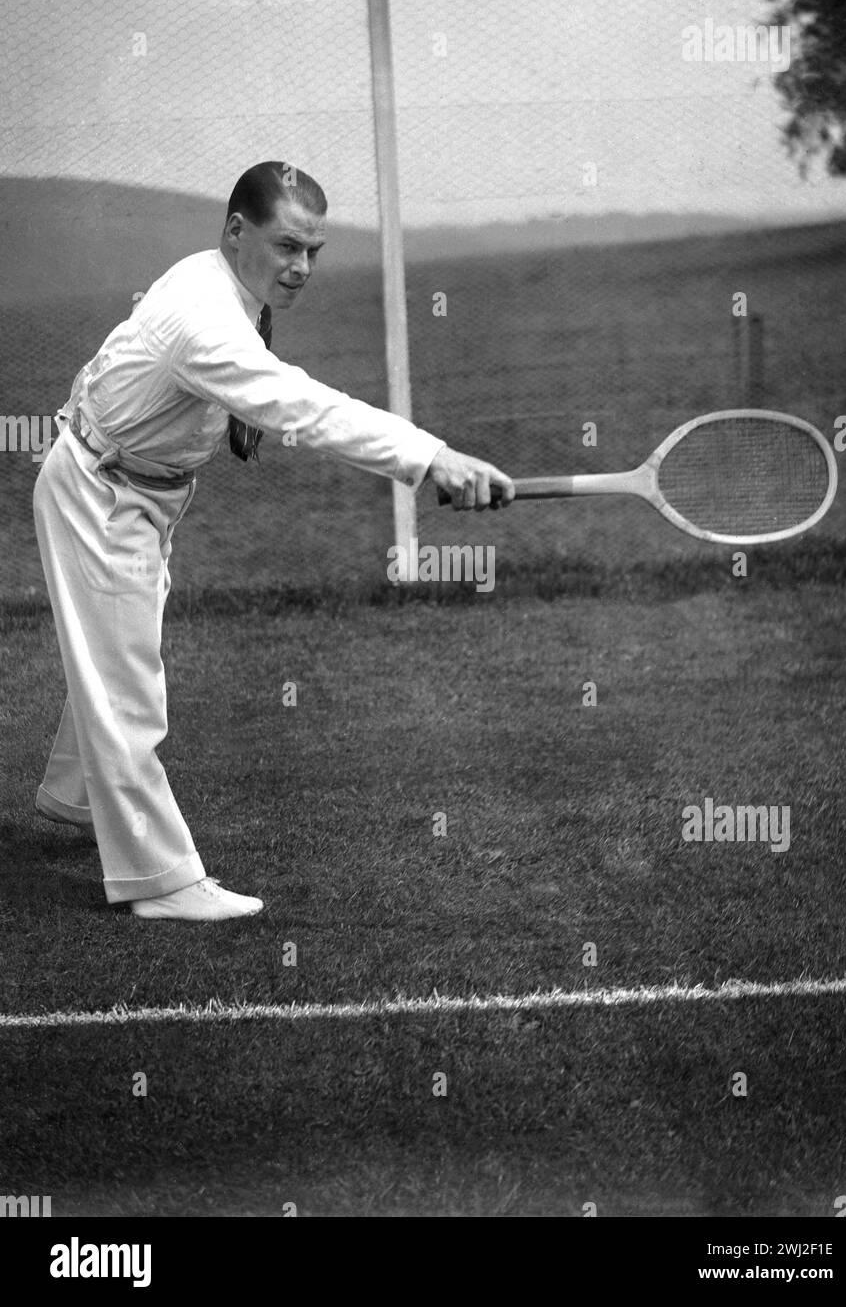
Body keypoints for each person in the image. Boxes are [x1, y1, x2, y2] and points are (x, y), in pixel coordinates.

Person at [33, 161, 514, 922]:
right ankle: (159, 883)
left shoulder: (216, 281)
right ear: (236, 232)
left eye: (312, 252)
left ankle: (73, 795)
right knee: (128, 686)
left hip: (132, 488)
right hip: (103, 492)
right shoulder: (203, 315)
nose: (300, 267)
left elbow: (238, 377)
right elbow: (304, 405)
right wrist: (432, 459)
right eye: (286, 246)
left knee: (117, 652)